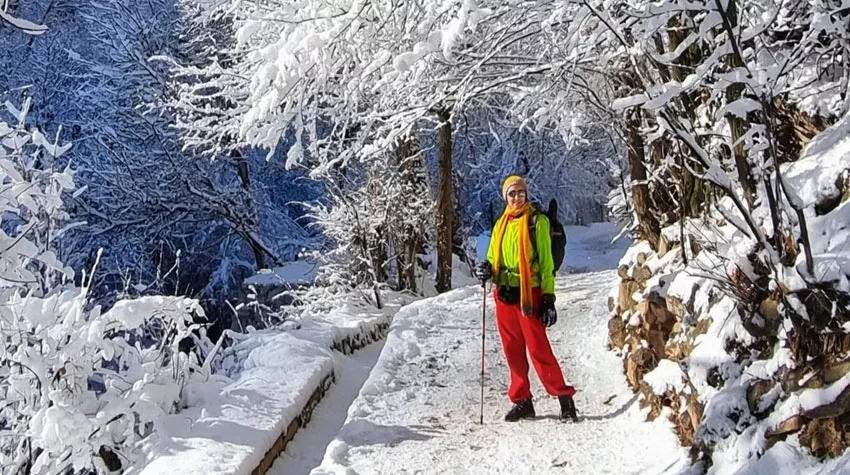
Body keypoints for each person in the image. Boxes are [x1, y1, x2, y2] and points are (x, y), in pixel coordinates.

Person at [475, 175, 578, 422]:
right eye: (512, 193)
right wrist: (486, 269)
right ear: (505, 196)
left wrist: (548, 297)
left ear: (526, 194)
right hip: (504, 294)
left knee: (538, 348)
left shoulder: (537, 222)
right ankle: (522, 401)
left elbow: (546, 263)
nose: (517, 197)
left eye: (521, 192)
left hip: (528, 293)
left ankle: (564, 399)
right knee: (512, 351)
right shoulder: (501, 224)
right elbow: (492, 256)